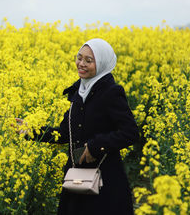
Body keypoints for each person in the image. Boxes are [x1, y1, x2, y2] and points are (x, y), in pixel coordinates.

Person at [16, 38, 140, 215]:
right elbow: (65, 134)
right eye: (79, 58)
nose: (81, 64)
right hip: (76, 180)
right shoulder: (77, 92)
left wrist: (97, 146)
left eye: (89, 61)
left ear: (102, 63)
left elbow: (130, 132)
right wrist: (32, 130)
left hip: (105, 182)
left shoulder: (111, 93)